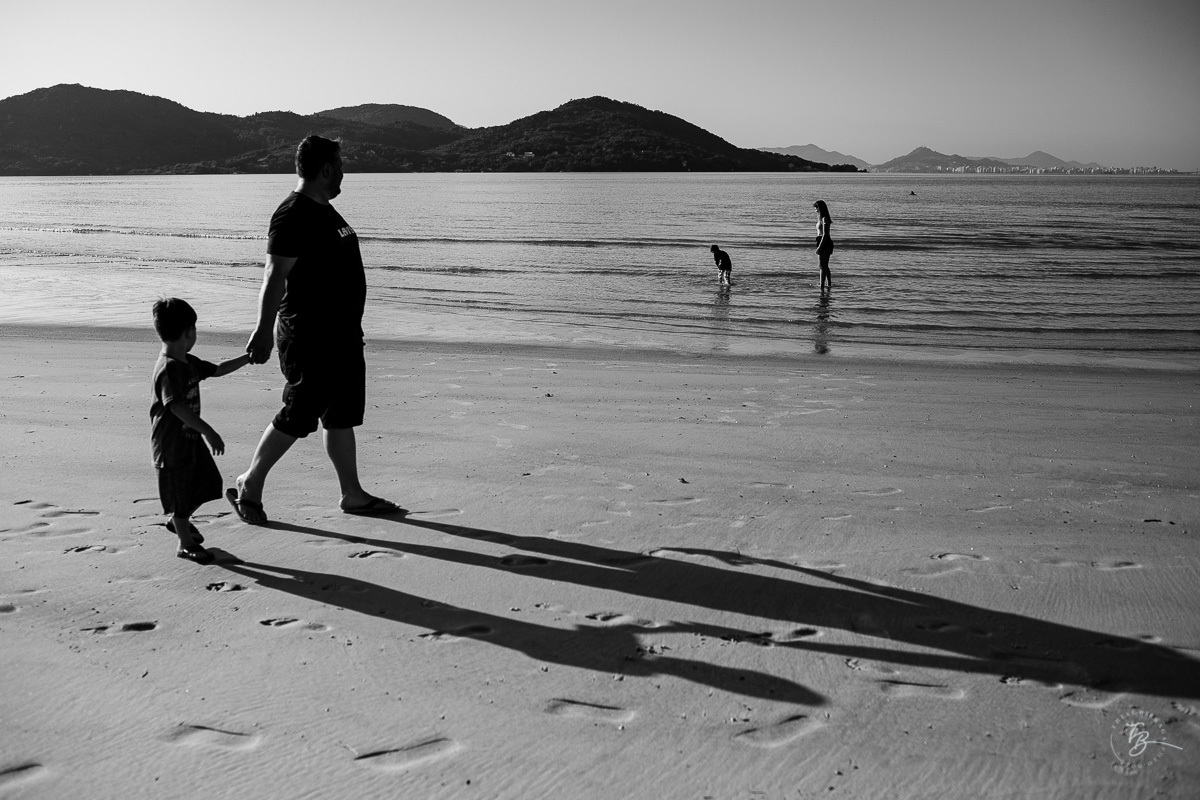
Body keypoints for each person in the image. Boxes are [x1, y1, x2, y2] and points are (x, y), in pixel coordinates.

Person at [229, 135, 404, 525]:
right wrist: (261, 331)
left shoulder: (324, 211)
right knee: (300, 412)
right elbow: (274, 275)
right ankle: (249, 481)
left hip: (341, 335)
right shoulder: (293, 213)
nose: (344, 172)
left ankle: (352, 494)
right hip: (309, 335)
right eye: (340, 165)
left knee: (340, 414)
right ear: (326, 168)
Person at [150, 298, 252, 563]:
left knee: (208, 483)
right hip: (172, 443)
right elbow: (176, 407)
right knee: (182, 495)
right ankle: (184, 543)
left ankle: (177, 520)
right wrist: (208, 431)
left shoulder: (186, 361)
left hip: (189, 438)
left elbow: (217, 370)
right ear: (189, 332)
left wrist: (248, 358)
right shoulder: (169, 368)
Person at [813, 200, 834, 292]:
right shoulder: (820, 219)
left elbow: (825, 234)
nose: (815, 210)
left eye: (816, 208)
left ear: (820, 208)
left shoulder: (824, 219)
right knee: (825, 265)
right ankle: (828, 284)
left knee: (822, 266)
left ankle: (822, 286)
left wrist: (820, 247)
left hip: (824, 241)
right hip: (820, 240)